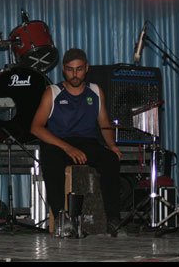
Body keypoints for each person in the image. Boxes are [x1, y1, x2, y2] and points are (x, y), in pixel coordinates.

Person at [30, 48, 123, 236]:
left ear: (86, 68)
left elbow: (104, 123)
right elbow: (36, 128)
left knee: (110, 160)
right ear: (64, 69)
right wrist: (67, 147)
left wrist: (112, 146)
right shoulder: (53, 92)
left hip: (87, 142)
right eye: (70, 69)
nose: (74, 74)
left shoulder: (95, 91)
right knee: (51, 159)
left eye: (79, 69)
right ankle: (61, 218)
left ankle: (113, 219)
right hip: (59, 143)